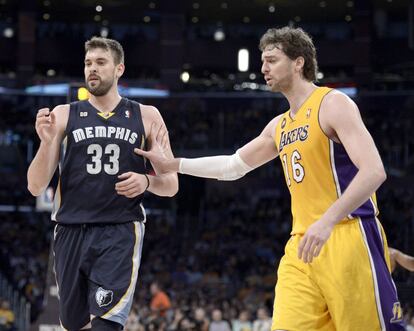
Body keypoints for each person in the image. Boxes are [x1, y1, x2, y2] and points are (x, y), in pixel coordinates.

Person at [135, 27, 405, 330]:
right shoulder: (279, 126)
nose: (263, 68)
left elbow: (374, 171)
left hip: (347, 234)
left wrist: (327, 221)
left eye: (272, 60)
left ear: (299, 62)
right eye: (263, 61)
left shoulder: (333, 103)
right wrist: (173, 164)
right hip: (302, 245)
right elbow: (232, 166)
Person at [27, 37, 178, 331]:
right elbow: (35, 187)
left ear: (119, 68)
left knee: (106, 325)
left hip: (119, 231)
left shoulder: (146, 116)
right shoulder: (63, 115)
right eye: (87, 63)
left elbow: (171, 184)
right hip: (70, 230)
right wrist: (46, 145)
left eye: (100, 62)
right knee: (73, 324)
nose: (92, 69)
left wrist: (146, 181)